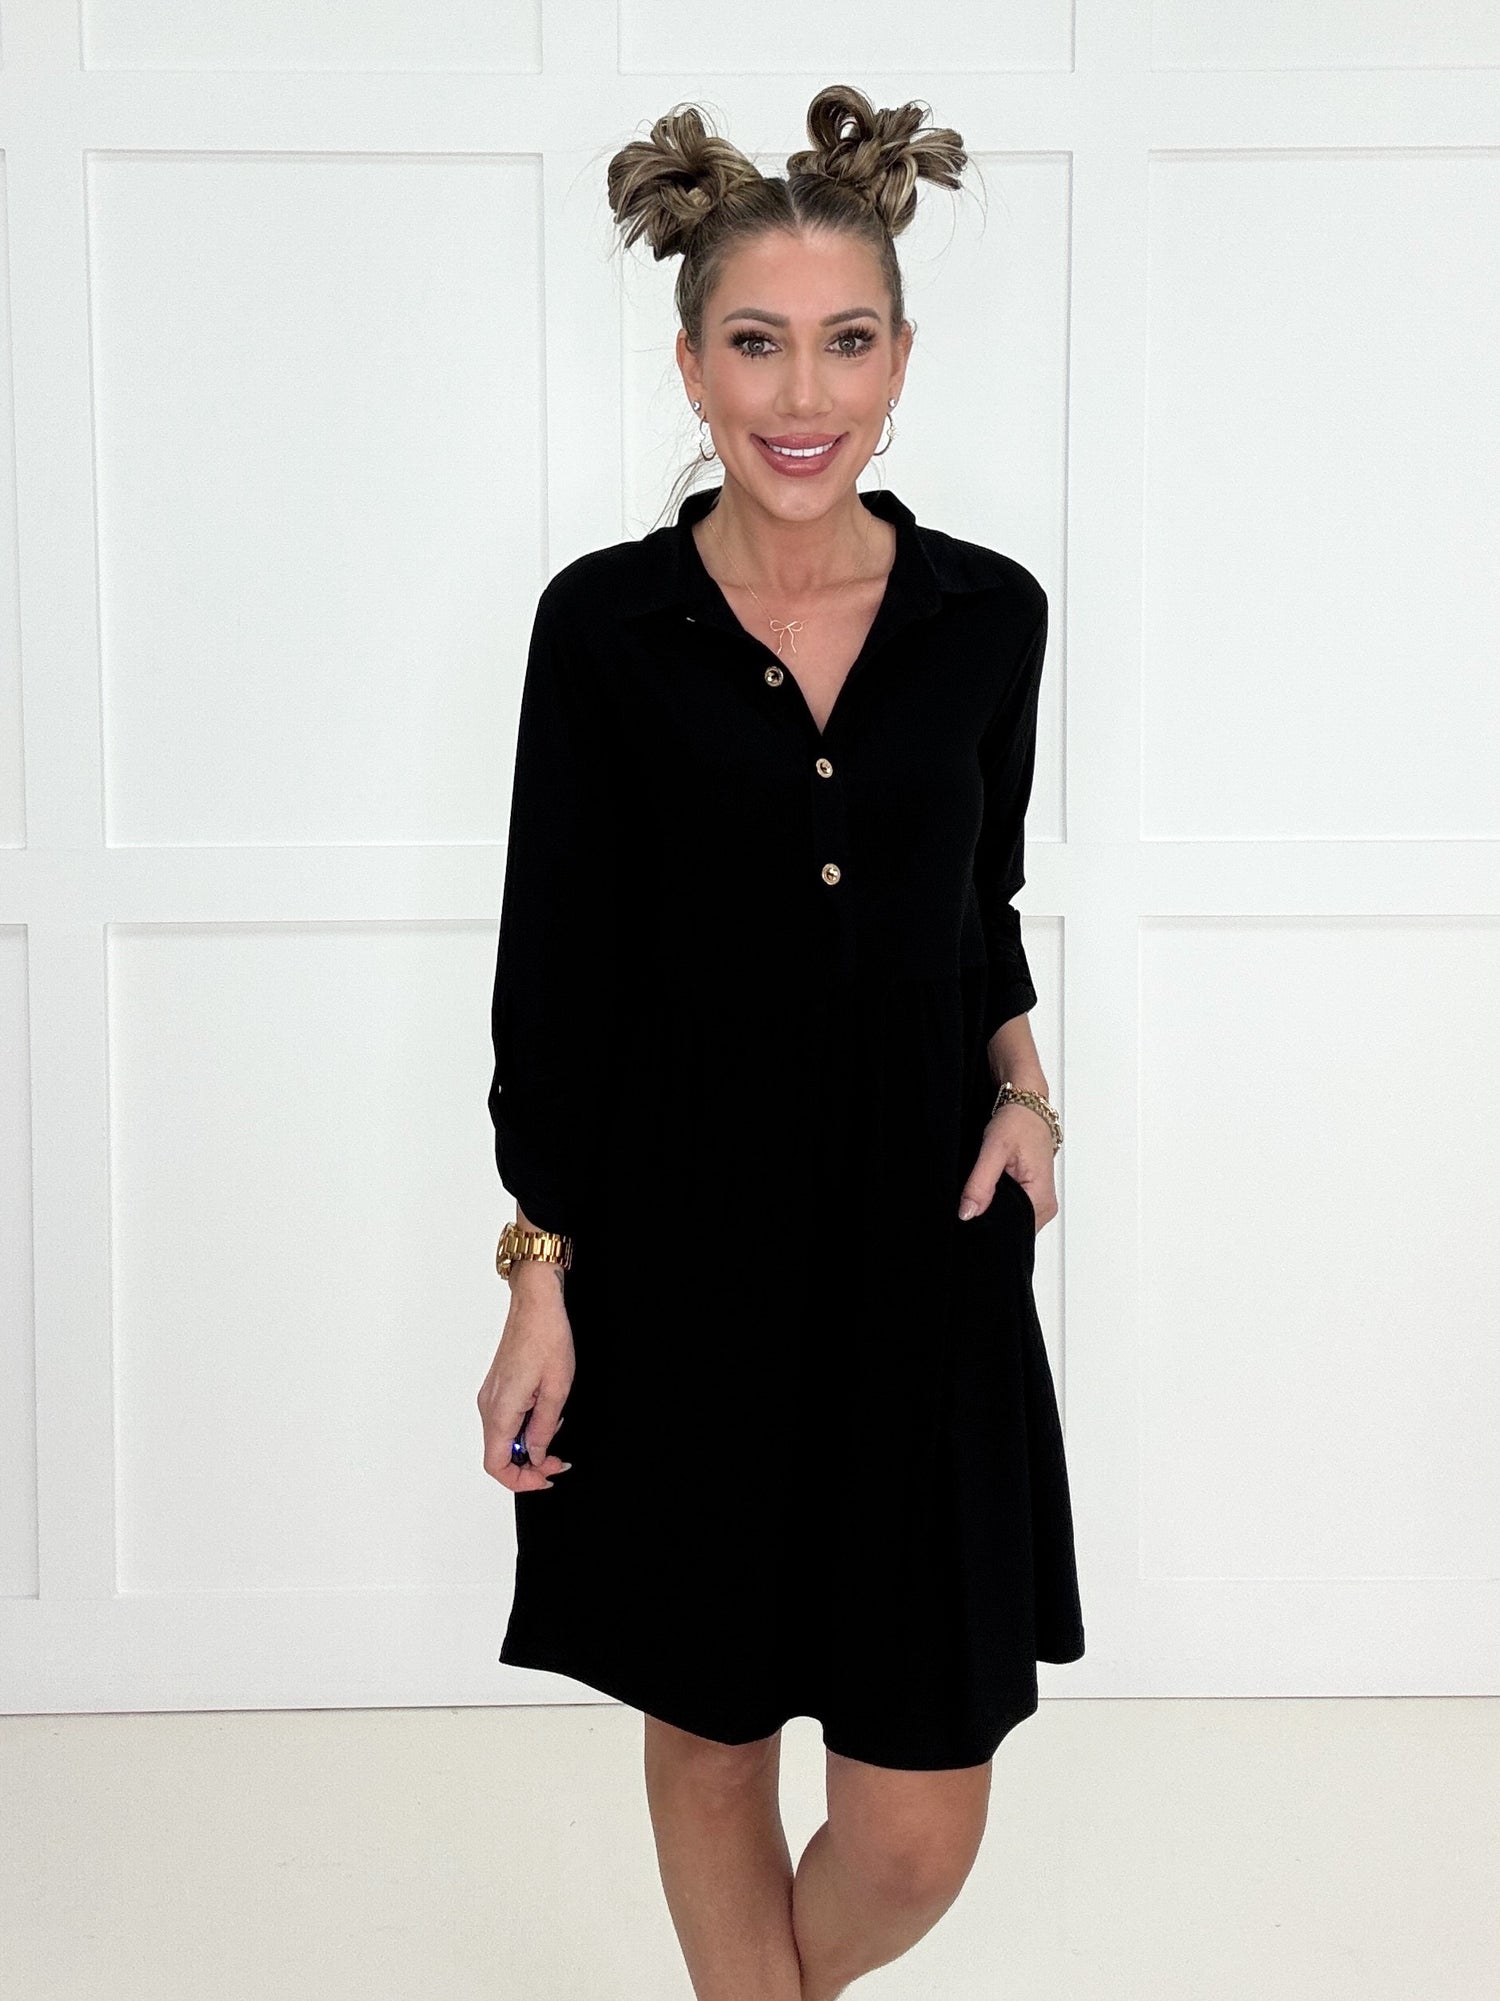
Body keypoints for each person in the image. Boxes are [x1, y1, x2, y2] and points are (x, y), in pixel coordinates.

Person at [476, 82, 1084, 2001]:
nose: (800, 392)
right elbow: (553, 974)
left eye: (845, 340)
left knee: (918, 1818)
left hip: (926, 1258)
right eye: (755, 342)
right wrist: (539, 1272)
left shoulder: (990, 618)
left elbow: (975, 904)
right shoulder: (604, 629)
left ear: (901, 360)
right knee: (714, 1728)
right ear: (690, 364)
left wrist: (1026, 1089)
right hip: (682, 1260)